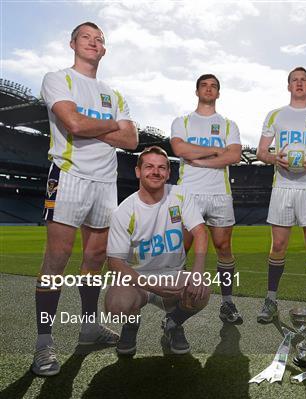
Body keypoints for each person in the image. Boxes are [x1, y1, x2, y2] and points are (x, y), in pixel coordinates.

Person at [33, 22, 138, 376]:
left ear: (104, 50)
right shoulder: (58, 79)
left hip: (106, 183)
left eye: (99, 40)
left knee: (94, 259)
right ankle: (44, 343)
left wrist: (94, 126)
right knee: (57, 260)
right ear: (73, 43)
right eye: (86, 38)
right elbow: (73, 125)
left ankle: (89, 327)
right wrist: (112, 128)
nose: (93, 43)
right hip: (68, 176)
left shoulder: (114, 94)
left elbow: (133, 140)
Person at [106, 146, 210, 356]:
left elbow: (200, 232)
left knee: (202, 290)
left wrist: (197, 273)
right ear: (138, 171)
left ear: (168, 173)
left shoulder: (179, 195)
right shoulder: (124, 211)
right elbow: (115, 262)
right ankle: (131, 325)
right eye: (149, 167)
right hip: (138, 279)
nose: (156, 172)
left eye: (162, 167)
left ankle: (173, 323)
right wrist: (154, 288)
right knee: (116, 306)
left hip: (172, 274)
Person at [255, 67, 306, 322]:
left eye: (303, 80)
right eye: (295, 80)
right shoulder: (275, 116)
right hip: (282, 186)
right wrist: (274, 157)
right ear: (289, 86)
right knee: (278, 245)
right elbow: (261, 152)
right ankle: (270, 301)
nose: (299, 83)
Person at [170, 74, 243, 324]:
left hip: (219, 194)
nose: (209, 89)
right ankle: (175, 305)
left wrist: (199, 159)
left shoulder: (228, 124)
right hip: (187, 193)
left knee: (224, 248)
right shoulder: (183, 121)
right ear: (197, 91)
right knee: (182, 249)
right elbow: (180, 149)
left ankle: (227, 303)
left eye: (213, 86)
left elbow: (234, 156)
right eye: (204, 85)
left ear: (218, 93)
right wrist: (215, 150)